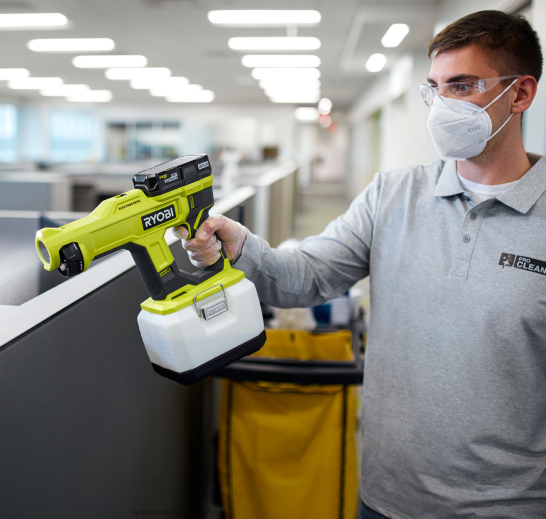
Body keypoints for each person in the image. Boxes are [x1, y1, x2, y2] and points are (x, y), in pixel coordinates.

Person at [174, 10, 546, 519]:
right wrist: (241, 246)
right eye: (434, 88)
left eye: (462, 86)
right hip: (386, 495)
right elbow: (308, 275)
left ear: (520, 94)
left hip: (511, 505)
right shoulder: (392, 195)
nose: (442, 105)